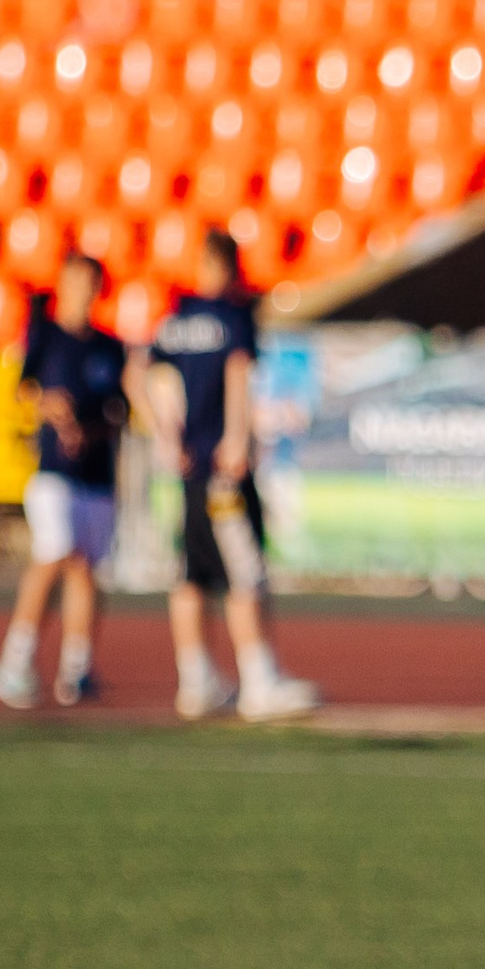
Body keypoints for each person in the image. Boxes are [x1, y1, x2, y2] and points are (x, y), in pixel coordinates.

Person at [140, 229, 318, 722]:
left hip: (190, 467)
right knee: (244, 571)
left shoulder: (175, 321)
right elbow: (239, 375)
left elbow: (146, 376)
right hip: (223, 467)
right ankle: (259, 680)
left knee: (192, 574)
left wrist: (166, 436)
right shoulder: (233, 317)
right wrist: (238, 437)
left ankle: (195, 679)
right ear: (233, 267)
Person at [0, 252, 126, 711]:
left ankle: (76, 668)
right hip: (53, 472)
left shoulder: (109, 346)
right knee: (54, 554)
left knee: (85, 567)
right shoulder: (46, 336)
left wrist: (92, 429)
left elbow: (120, 411)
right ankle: (16, 657)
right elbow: (24, 389)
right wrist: (52, 407)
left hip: (96, 473)